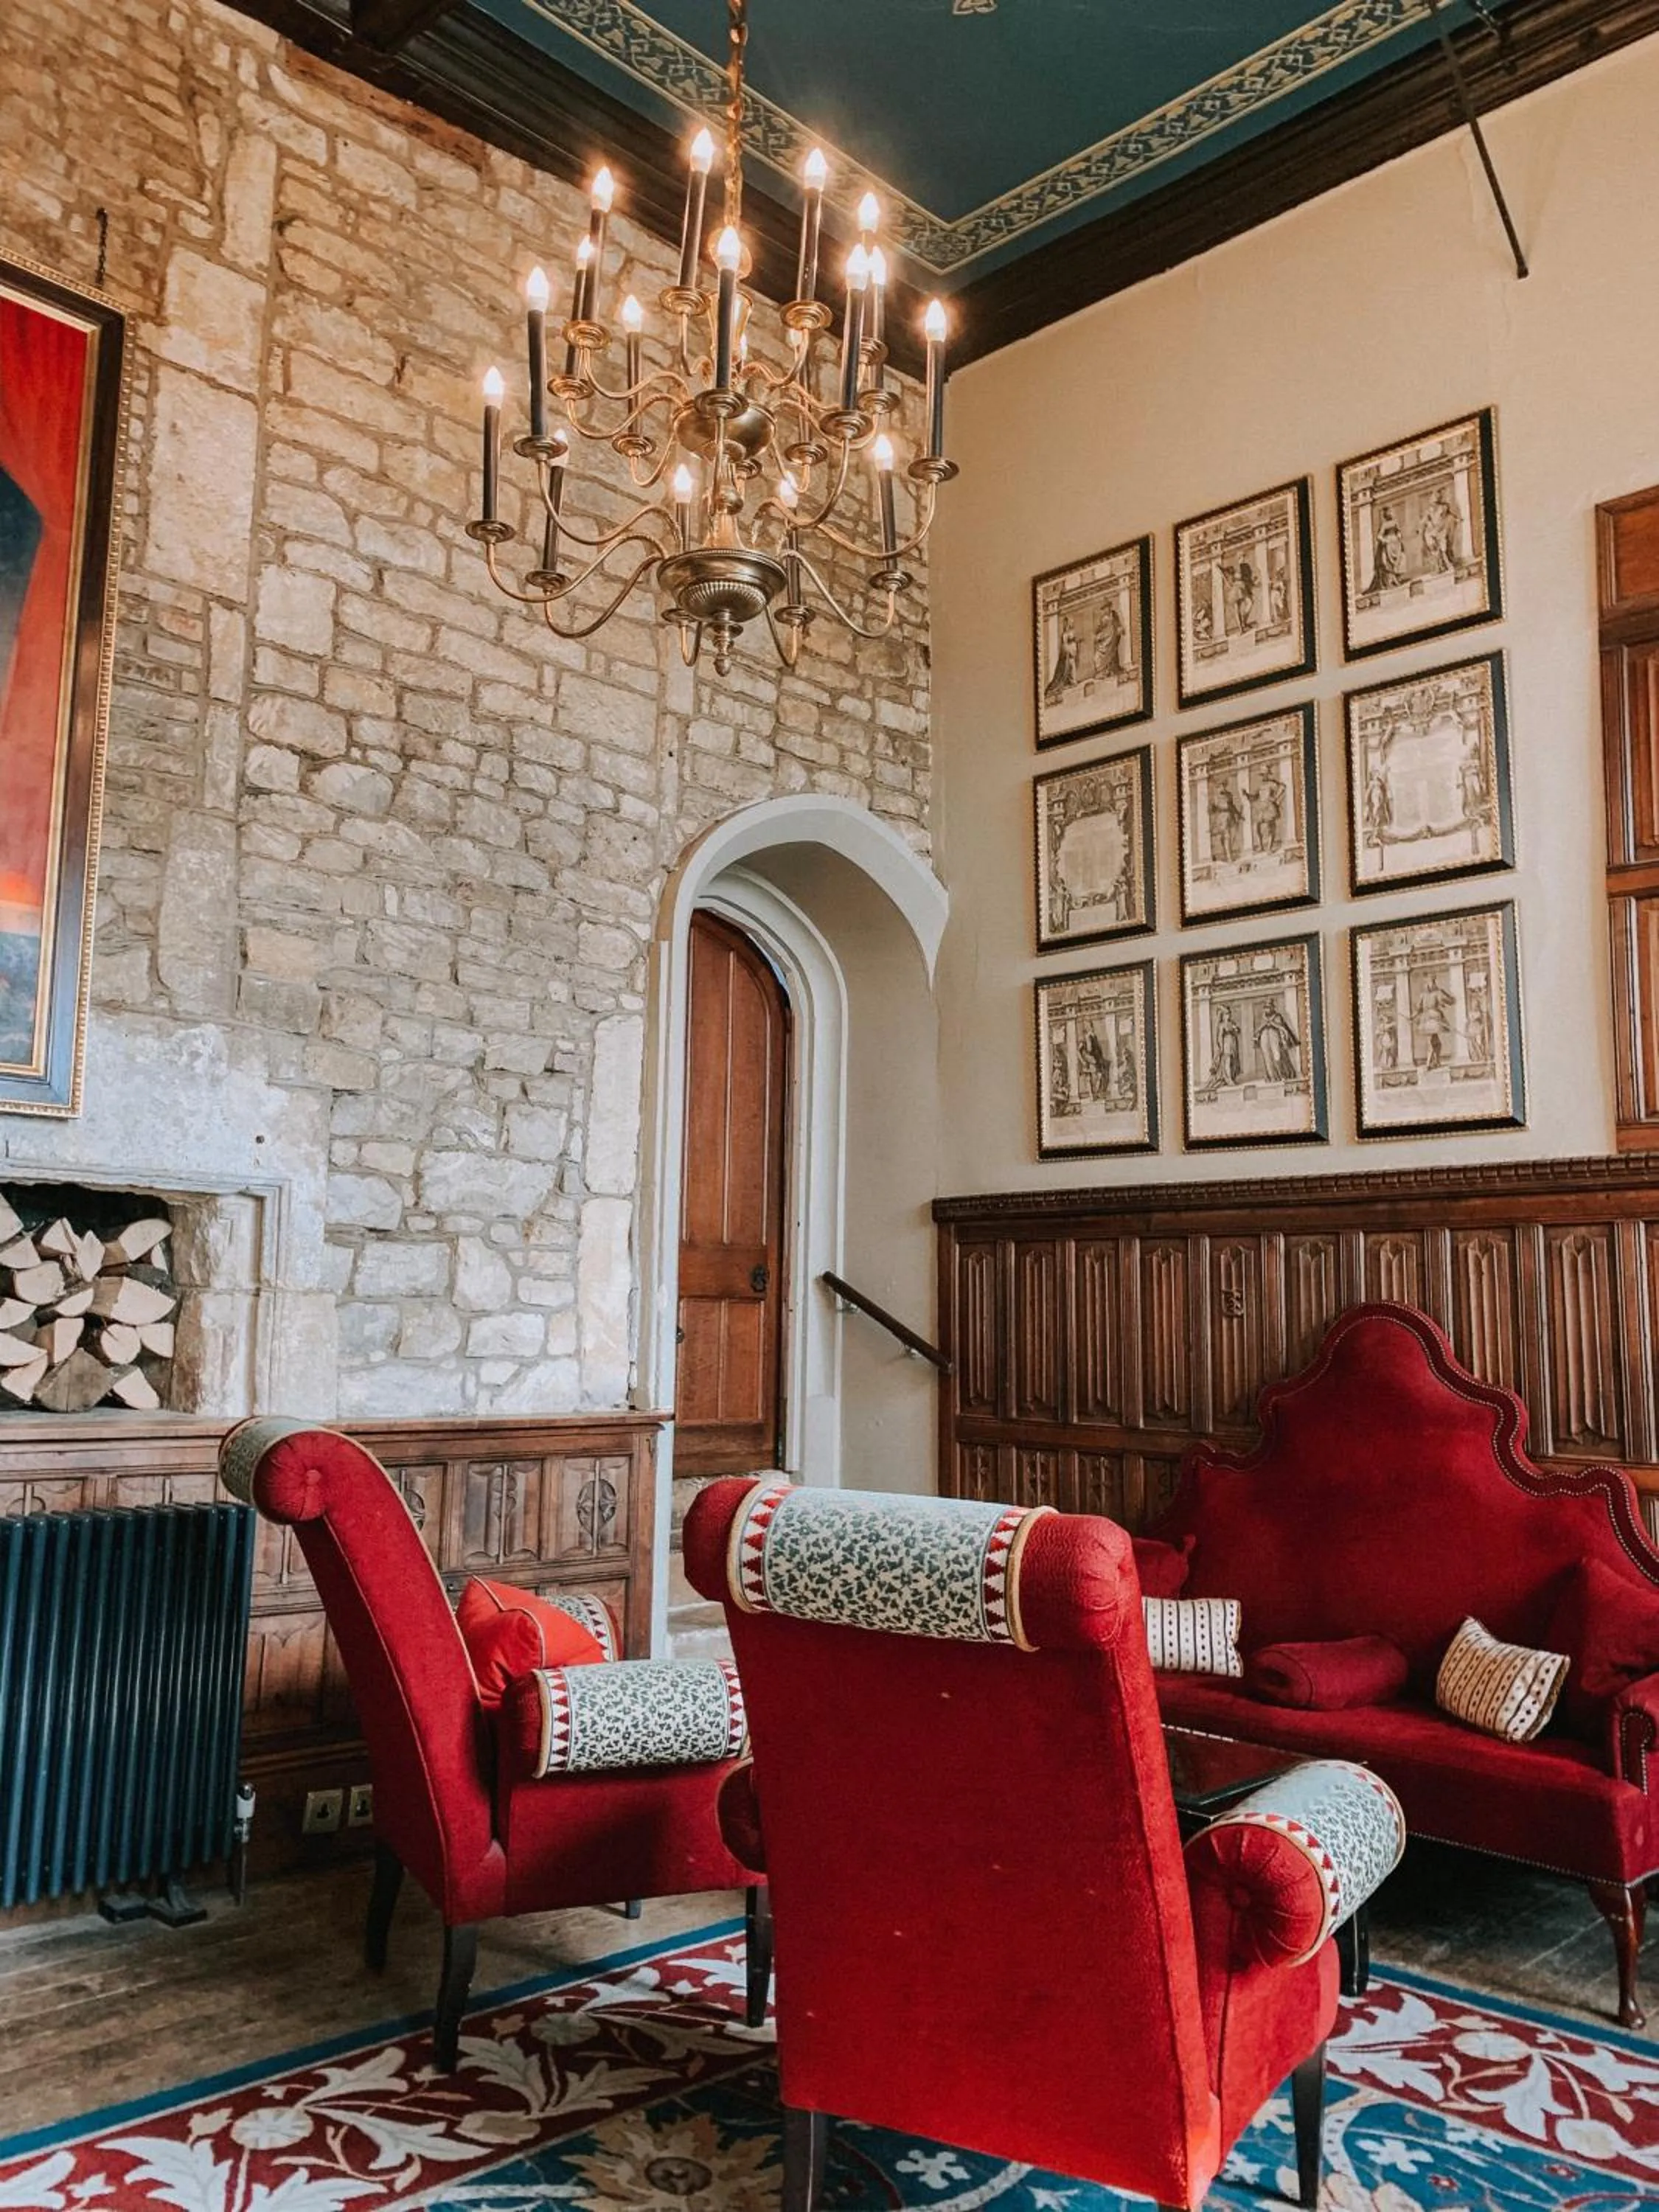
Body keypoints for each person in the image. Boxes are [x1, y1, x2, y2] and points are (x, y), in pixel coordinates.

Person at [1413, 974, 1455, 1070]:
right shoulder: (1436, 993)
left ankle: (1436, 1061)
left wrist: (1414, 1016)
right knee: (1432, 1041)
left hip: (1428, 1018)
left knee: (1436, 1042)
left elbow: (1418, 1008)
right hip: (1433, 1018)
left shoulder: (1425, 995)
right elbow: (1450, 1002)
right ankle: (1429, 1063)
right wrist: (1445, 994)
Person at [1256, 1000, 1300, 1084]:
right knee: (1267, 1058)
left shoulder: (1277, 1016)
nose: (1267, 1009)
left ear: (1272, 1008)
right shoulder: (1263, 1018)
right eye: (1266, 1008)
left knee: (1277, 1056)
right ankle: (1272, 1077)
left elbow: (1282, 1028)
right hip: (1265, 1038)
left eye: (1269, 1007)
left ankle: (1282, 1075)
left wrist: (1272, 1023)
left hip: (1275, 1037)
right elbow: (1258, 1030)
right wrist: (1264, 1026)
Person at [1367, 504, 1406, 594]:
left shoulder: (1395, 522)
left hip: (1396, 544)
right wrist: (1385, 540)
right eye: (1388, 512)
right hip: (1389, 544)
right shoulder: (1384, 525)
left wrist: (1399, 535)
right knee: (1389, 564)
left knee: (1399, 560)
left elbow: (1398, 531)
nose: (1390, 513)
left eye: (1390, 512)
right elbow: (1379, 536)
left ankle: (1396, 579)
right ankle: (1392, 581)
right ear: (1386, 514)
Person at [1420, 486, 1460, 574]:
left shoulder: (1445, 506)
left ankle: (1448, 564)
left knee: (1444, 548)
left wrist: (1456, 519)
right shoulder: (1430, 509)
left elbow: (1450, 515)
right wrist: (1421, 528)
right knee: (1435, 550)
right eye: (1435, 496)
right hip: (1433, 531)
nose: (1437, 497)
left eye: (1438, 495)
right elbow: (1424, 520)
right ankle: (1439, 567)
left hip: (1442, 530)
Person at [1245, 769, 1284, 854]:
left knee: (1270, 828)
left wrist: (1276, 799)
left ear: (1268, 774)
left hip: (1269, 807)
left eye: (1264, 774)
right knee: (1256, 828)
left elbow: (1283, 787)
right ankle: (1261, 846)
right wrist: (1246, 795)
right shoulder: (1260, 786)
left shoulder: (1272, 783)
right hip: (1261, 807)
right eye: (1262, 775)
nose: (1263, 776)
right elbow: (1254, 797)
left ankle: (1269, 848)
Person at [1205, 1001, 1242, 1093]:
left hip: (1233, 1042)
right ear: (1223, 1016)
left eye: (1229, 1014)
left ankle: (1232, 1077)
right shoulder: (1222, 1025)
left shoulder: (1232, 1023)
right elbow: (1220, 1037)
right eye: (1226, 1014)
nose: (1228, 1016)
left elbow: (1238, 1032)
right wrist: (1221, 1047)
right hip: (1226, 1044)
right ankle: (1228, 1079)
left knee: (1233, 1060)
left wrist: (1236, 1030)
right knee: (1227, 1060)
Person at [1208, 776, 1245, 863]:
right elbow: (1213, 809)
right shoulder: (1216, 796)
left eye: (1223, 785)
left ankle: (1229, 855)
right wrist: (1212, 807)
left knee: (1229, 836)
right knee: (1225, 837)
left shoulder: (1229, 795)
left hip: (1229, 817)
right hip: (1221, 818)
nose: (1222, 787)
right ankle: (1228, 856)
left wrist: (1239, 815)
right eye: (1220, 786)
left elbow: (1232, 806)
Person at [1044, 613, 1079, 705]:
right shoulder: (1065, 634)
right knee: (1068, 667)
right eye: (1069, 623)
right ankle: (1070, 682)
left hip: (1072, 653)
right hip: (1068, 654)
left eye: (1071, 622)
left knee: (1073, 667)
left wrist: (1074, 649)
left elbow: (1074, 641)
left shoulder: (1072, 632)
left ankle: (1073, 682)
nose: (1071, 624)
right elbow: (1065, 644)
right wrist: (1069, 651)